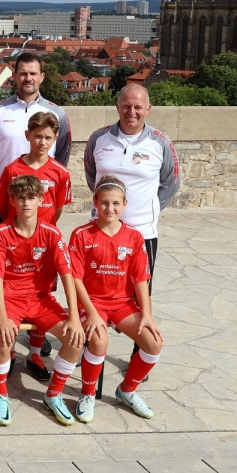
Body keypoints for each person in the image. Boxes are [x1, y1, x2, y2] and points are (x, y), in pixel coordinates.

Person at [0, 52, 71, 370]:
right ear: (14, 76)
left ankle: (35, 348)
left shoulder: (57, 113)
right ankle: (3, 330)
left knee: (41, 283)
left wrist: (44, 219)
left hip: (42, 218)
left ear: (42, 77)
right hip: (2, 207)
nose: (28, 78)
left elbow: (61, 166)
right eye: (22, 73)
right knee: (4, 276)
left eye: (34, 73)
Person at [82, 84, 179, 366]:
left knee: (139, 294)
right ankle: (91, 345)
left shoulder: (160, 142)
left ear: (148, 110)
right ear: (117, 106)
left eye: (138, 107)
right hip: (99, 232)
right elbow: (93, 175)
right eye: (126, 106)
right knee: (93, 290)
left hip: (141, 234)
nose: (131, 112)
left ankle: (140, 353)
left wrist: (144, 211)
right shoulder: (99, 138)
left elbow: (171, 184)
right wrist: (108, 210)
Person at [0, 175, 84, 427]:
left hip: (40, 299)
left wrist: (74, 317)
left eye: (31, 197)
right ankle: (0, 394)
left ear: (42, 200)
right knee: (4, 339)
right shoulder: (0, 232)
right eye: (20, 197)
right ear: (12, 200)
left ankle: (53, 394)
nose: (26, 203)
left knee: (75, 339)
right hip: (8, 298)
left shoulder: (51, 232)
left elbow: (67, 275)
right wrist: (3, 315)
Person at [69, 175, 164, 422]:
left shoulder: (133, 237)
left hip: (122, 303)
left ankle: (127, 390)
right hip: (92, 303)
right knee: (99, 342)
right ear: (95, 202)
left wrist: (147, 315)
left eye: (115, 204)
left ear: (124, 205)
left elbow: (141, 280)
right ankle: (88, 394)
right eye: (104, 203)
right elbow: (75, 279)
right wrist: (89, 312)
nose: (109, 209)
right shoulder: (81, 235)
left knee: (154, 342)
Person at [0, 111, 72, 230]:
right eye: (38, 136)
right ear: (27, 135)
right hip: (16, 234)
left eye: (48, 138)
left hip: (45, 236)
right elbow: (2, 207)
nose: (42, 143)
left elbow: (58, 208)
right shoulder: (12, 170)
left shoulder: (61, 172)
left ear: (55, 138)